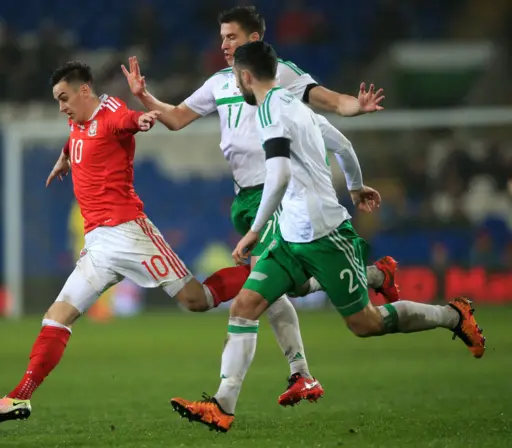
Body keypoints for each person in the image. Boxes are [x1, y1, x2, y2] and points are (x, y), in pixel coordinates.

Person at [169, 41, 487, 433]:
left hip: (324, 235)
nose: (237, 85)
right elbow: (343, 144)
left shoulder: (270, 113)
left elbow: (280, 174)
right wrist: (355, 185)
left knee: (364, 323)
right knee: (245, 306)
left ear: (246, 77)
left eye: (238, 78)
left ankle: (452, 315)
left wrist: (254, 230)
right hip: (289, 234)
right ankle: (222, 405)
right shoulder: (294, 104)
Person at [123, 5, 397, 406]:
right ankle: (370, 276)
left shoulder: (279, 73)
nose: (224, 45)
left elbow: (327, 100)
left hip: (279, 193)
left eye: (231, 37)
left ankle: (291, 376)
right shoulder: (219, 82)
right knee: (293, 285)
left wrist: (353, 106)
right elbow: (178, 118)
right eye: (220, 38)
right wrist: (146, 97)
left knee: (258, 289)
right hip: (245, 198)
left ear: (254, 39)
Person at [0, 61, 253, 426]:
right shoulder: (77, 122)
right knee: (58, 315)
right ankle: (18, 398)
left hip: (130, 233)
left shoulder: (111, 111)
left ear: (84, 90)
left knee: (197, 301)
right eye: (57, 100)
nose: (61, 107)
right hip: (98, 244)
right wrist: (64, 159)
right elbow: (76, 135)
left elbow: (127, 120)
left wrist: (143, 121)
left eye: (64, 98)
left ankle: (265, 273)